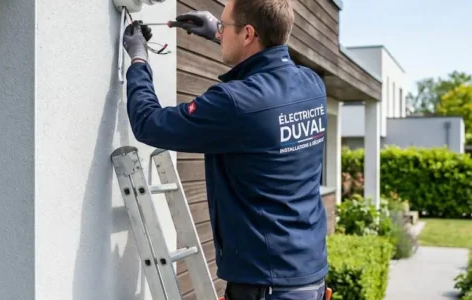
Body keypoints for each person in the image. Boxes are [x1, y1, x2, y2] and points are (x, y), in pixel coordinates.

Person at [121, 0, 329, 299]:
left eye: (224, 24)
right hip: (310, 277)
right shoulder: (312, 85)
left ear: (247, 34)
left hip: (267, 286)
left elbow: (150, 125)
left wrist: (139, 61)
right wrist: (218, 32)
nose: (219, 28)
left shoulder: (236, 102)